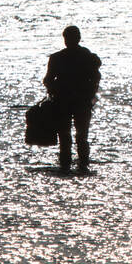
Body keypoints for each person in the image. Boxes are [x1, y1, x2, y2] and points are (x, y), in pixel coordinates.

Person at [43, 25, 101, 173]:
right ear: (79, 38)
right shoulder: (88, 57)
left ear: (65, 40)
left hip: (64, 101)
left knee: (65, 135)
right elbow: (96, 78)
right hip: (81, 101)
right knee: (81, 135)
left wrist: (54, 90)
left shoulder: (57, 58)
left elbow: (48, 80)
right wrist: (90, 93)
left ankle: (66, 165)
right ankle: (83, 164)